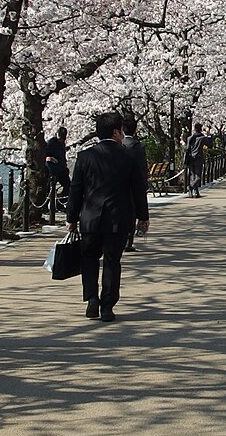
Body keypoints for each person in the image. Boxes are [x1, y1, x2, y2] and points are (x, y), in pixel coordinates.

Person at [66, 112, 149, 322]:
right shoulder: (129, 156)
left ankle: (92, 299)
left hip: (90, 218)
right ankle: (107, 306)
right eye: (121, 130)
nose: (123, 134)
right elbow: (138, 189)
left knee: (89, 259)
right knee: (112, 261)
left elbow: (76, 189)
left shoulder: (85, 156)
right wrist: (142, 216)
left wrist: (71, 218)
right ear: (115, 132)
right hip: (118, 218)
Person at [121, 114, 149, 252]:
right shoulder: (137, 147)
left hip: (118, 184)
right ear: (135, 130)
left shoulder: (118, 145)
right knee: (131, 212)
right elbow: (142, 168)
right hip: (133, 185)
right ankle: (128, 241)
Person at [184, 123, 214, 197]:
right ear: (200, 129)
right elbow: (210, 145)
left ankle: (195, 192)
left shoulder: (189, 138)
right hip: (198, 158)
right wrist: (209, 135)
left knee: (193, 175)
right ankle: (191, 187)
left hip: (190, 158)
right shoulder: (202, 138)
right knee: (198, 176)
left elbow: (186, 148)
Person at [44, 126, 70, 197]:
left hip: (61, 169)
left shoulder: (62, 143)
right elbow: (45, 154)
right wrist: (48, 158)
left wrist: (65, 166)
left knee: (68, 186)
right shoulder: (52, 142)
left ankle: (62, 199)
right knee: (50, 187)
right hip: (53, 169)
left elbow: (62, 156)